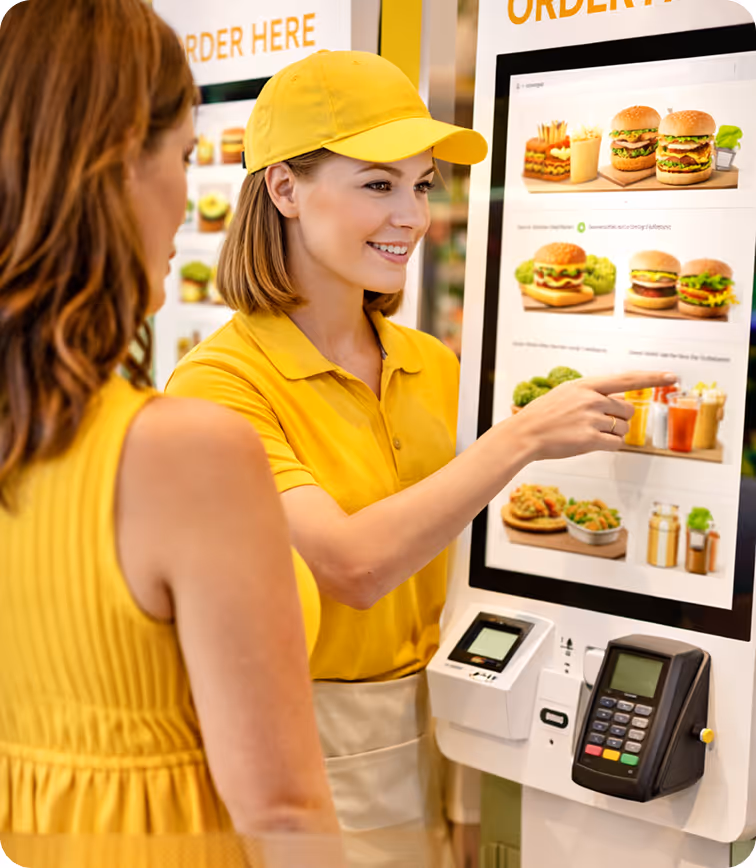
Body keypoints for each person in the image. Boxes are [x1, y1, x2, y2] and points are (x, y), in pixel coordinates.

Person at [166, 49, 676, 865]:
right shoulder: (217, 386)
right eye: (378, 184)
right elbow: (352, 568)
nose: (414, 216)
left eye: (422, 184)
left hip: (462, 727)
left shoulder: (432, 363)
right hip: (319, 750)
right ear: (285, 189)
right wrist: (523, 437)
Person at [0, 2, 340, 866]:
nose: (189, 201)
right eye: (186, 156)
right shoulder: (188, 451)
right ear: (119, 161)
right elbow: (286, 813)